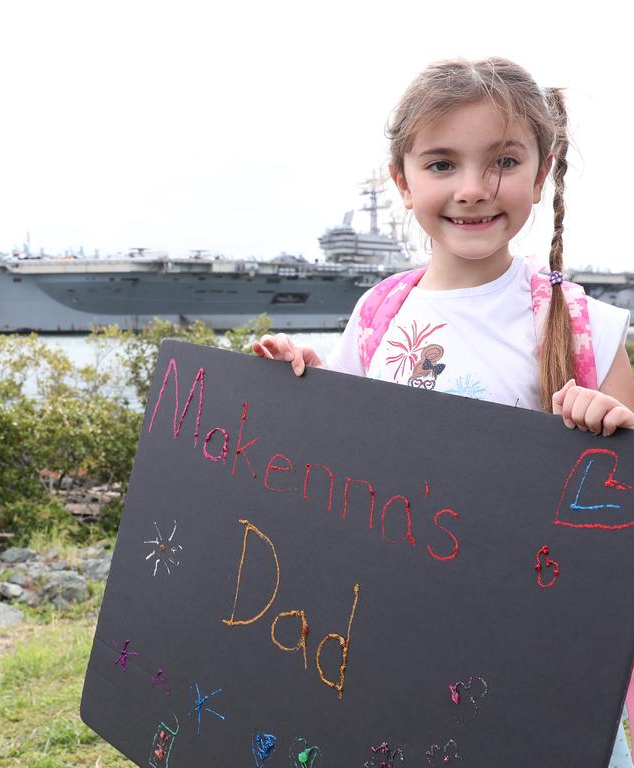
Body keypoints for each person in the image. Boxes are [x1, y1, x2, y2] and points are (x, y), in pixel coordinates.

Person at [253, 57, 634, 762]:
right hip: (403, 641)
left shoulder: (587, 328)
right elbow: (340, 467)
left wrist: (610, 426)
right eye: (440, 164)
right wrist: (291, 390)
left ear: (541, 172)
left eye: (503, 161)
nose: (471, 189)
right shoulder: (377, 314)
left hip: (544, 656)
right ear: (401, 180)